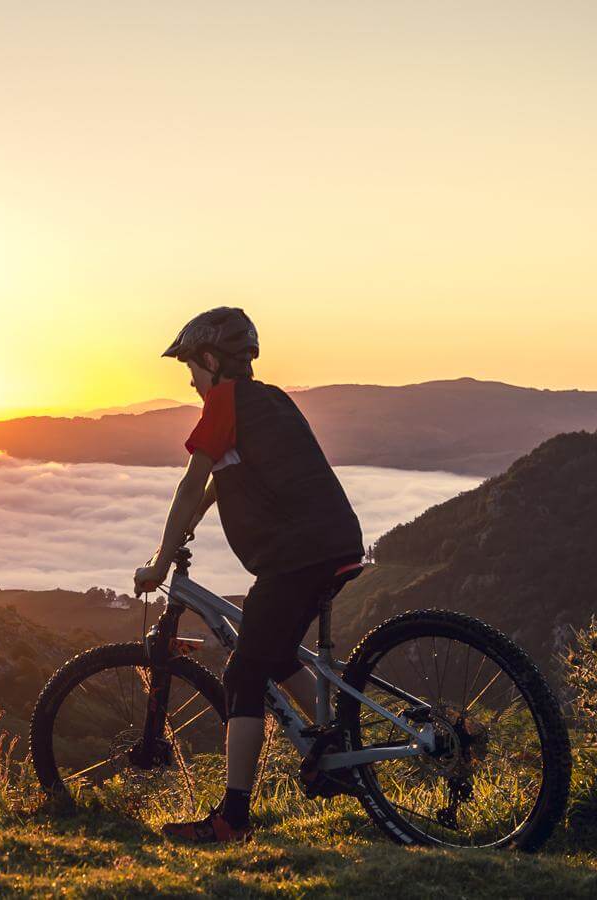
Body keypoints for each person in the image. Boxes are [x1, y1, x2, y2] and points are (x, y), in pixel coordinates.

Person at [133, 307, 364, 844]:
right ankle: (335, 748)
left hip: (294, 556)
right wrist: (185, 529)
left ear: (211, 360)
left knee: (242, 674)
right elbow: (222, 478)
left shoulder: (223, 401)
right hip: (334, 543)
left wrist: (162, 560)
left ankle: (232, 819)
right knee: (275, 655)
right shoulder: (271, 400)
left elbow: (192, 484)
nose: (190, 379)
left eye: (191, 366)